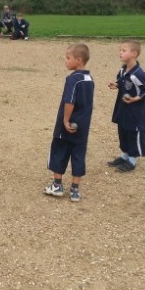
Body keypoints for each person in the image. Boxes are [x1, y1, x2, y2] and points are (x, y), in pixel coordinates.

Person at [44, 43, 95, 202]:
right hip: (82, 126)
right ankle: (75, 189)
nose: (65, 61)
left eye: (68, 58)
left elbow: (70, 101)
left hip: (67, 125)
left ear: (78, 60)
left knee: (59, 150)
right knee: (78, 155)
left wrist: (65, 120)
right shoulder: (89, 79)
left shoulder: (73, 79)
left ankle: (57, 185)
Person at [107, 39, 145, 173]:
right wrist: (117, 85)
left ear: (134, 54)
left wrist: (135, 99)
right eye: (120, 50)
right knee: (123, 130)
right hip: (122, 108)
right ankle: (124, 156)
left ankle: (132, 160)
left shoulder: (138, 74)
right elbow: (122, 81)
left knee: (133, 132)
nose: (120, 53)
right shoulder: (123, 70)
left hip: (135, 111)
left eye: (123, 50)